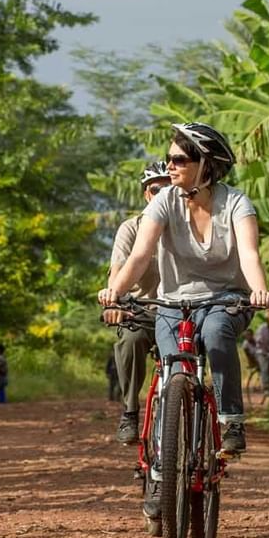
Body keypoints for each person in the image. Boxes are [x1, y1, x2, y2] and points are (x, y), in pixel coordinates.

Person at [99, 123, 269, 462]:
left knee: (216, 333)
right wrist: (115, 292)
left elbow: (249, 255)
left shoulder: (236, 203)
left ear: (205, 164)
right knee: (171, 371)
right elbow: (139, 255)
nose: (170, 165)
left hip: (225, 300)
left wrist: (259, 290)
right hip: (172, 303)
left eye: (179, 159)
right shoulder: (164, 201)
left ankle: (232, 421)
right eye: (169, 158)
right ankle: (162, 458)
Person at [106, 159, 170, 444]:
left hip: (181, 311)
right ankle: (130, 411)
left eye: (170, 189)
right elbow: (118, 270)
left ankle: (211, 416)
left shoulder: (189, 226)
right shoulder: (131, 229)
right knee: (130, 341)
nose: (163, 195)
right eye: (157, 190)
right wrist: (114, 302)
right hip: (141, 311)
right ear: (147, 194)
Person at [247, 320, 269, 401]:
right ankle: (267, 389)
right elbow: (259, 343)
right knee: (264, 368)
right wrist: (265, 352)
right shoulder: (262, 328)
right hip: (261, 352)